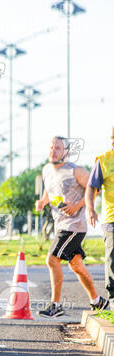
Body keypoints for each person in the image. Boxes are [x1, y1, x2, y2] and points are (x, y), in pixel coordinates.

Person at [35, 136, 108, 317]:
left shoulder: (76, 171)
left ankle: (56, 305)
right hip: (61, 224)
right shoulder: (46, 170)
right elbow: (49, 190)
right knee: (76, 265)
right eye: (51, 147)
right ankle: (97, 301)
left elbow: (94, 190)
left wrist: (77, 205)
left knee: (52, 260)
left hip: (75, 226)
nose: (53, 151)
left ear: (66, 152)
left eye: (58, 148)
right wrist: (42, 202)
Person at [86, 126, 114, 310]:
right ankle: (113, 299)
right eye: (112, 137)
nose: (113, 141)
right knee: (112, 257)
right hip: (111, 218)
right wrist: (90, 208)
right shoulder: (103, 160)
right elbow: (91, 187)